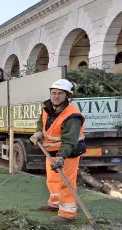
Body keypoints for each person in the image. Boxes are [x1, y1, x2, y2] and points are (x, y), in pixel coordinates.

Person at [29, 78, 86, 222]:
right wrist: (38, 132)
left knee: (66, 182)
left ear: (67, 96)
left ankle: (68, 214)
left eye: (60, 94)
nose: (56, 96)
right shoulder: (47, 108)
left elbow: (69, 141)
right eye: (53, 93)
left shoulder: (72, 116)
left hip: (68, 153)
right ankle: (55, 204)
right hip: (51, 151)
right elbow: (41, 123)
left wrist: (61, 158)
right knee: (52, 179)